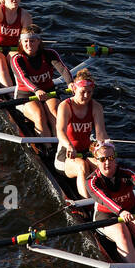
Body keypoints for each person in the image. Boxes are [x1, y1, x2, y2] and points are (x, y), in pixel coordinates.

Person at [9, 27, 73, 136]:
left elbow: (63, 69)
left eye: (32, 41)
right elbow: (24, 78)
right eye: (25, 41)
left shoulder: (50, 54)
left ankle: (62, 145)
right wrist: (36, 90)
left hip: (48, 91)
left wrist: (70, 83)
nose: (28, 44)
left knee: (56, 114)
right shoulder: (17, 59)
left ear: (39, 41)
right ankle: (48, 148)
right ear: (21, 42)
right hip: (26, 95)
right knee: (39, 116)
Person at [54, 69, 107, 197]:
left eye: (89, 92)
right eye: (82, 92)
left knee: (104, 166)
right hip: (66, 154)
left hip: (86, 151)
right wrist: (69, 146)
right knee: (82, 166)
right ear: (74, 90)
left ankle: (108, 199)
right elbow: (60, 131)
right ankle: (88, 205)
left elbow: (101, 134)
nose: (86, 96)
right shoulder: (65, 106)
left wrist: (105, 150)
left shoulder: (96, 107)